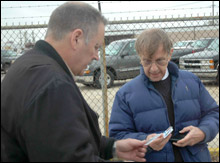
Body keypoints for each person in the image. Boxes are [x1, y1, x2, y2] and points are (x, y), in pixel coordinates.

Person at [1, 2, 148, 162]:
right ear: (76, 38)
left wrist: (111, 147)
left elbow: (58, 141)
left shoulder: (27, 66)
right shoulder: (53, 86)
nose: (96, 56)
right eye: (96, 47)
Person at [109, 28, 219, 162]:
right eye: (147, 61)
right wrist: (145, 140)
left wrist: (203, 132)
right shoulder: (125, 94)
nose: (154, 69)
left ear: (170, 54)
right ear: (139, 58)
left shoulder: (192, 81)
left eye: (160, 60)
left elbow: (213, 113)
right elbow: (117, 135)